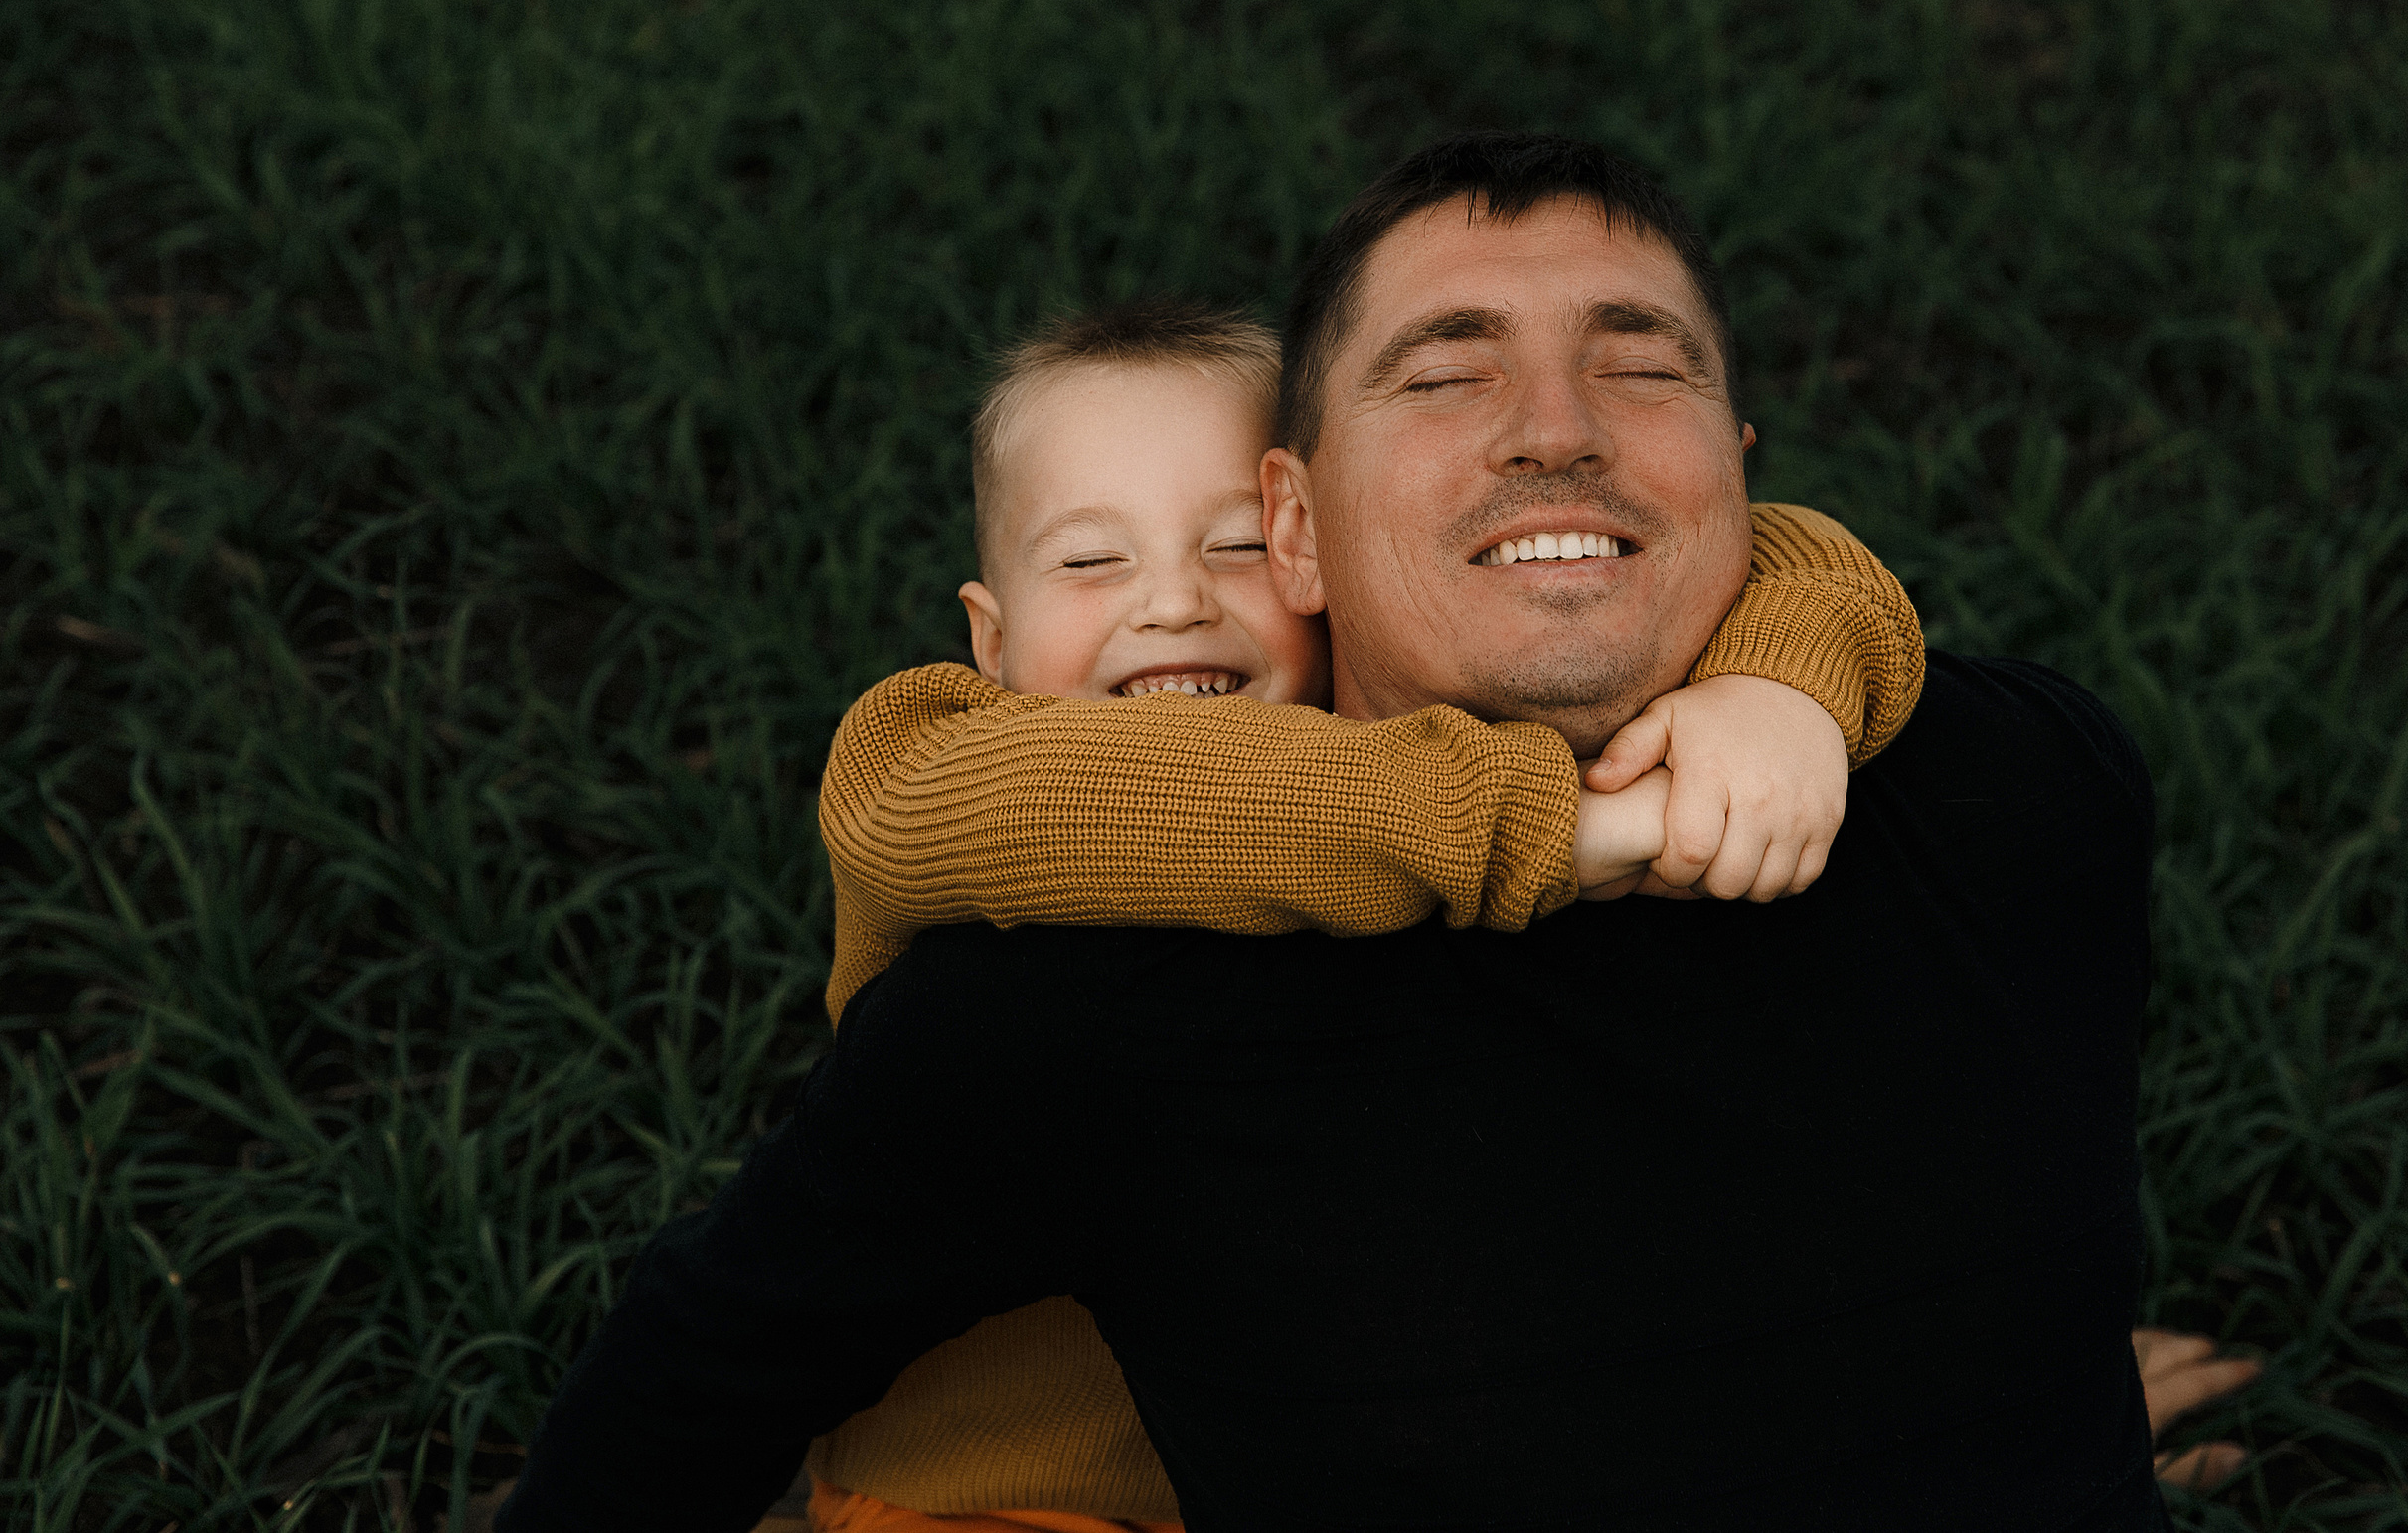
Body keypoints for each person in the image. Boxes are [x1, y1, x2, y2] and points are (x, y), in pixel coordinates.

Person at [499, 132, 2171, 1532]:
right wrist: (1560, 824)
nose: (1558, 427)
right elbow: (687, 1386)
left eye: (1640, 364)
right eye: (1447, 372)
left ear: (1738, 466)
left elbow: (1821, 573)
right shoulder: (1079, 984)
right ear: (1297, 525)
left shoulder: (2025, 799)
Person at [793, 300, 1922, 1529]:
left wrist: (1776, 689)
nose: (1170, 604)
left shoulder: (1374, 760)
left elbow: (1792, 544)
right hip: (1007, 1499)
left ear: (1313, 553)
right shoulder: (937, 770)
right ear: (991, 640)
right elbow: (1071, 797)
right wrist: (1571, 823)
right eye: (1087, 562)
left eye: (1231, 548)